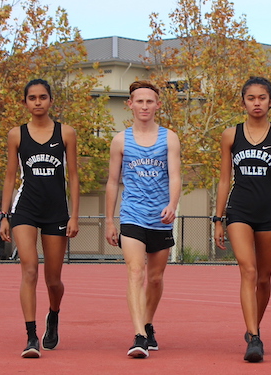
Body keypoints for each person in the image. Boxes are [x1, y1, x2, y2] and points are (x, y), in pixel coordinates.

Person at [214, 76, 271, 363]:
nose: (257, 103)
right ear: (243, 102)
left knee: (263, 278)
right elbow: (225, 179)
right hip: (239, 212)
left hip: (270, 214)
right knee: (247, 270)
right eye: (251, 98)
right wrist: (218, 217)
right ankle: (255, 338)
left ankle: (253, 327)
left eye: (262, 97)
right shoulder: (230, 135)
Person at [0, 78, 80, 358]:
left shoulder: (66, 133)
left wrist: (74, 216)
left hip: (56, 212)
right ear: (25, 103)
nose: (37, 102)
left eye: (42, 97)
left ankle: (53, 315)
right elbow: (11, 176)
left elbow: (74, 177)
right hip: (26, 210)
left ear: (50, 100)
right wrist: (4, 215)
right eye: (32, 98)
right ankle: (31, 336)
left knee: (53, 280)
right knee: (29, 268)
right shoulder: (16, 135)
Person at [105, 80, 181, 359]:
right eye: (139, 101)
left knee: (156, 278)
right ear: (130, 105)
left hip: (161, 218)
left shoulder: (169, 138)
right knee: (135, 272)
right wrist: (110, 220)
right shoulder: (120, 140)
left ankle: (148, 323)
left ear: (157, 105)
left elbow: (175, 175)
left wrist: (173, 204)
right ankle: (138, 335)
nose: (145, 106)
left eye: (150, 101)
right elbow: (113, 183)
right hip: (132, 216)